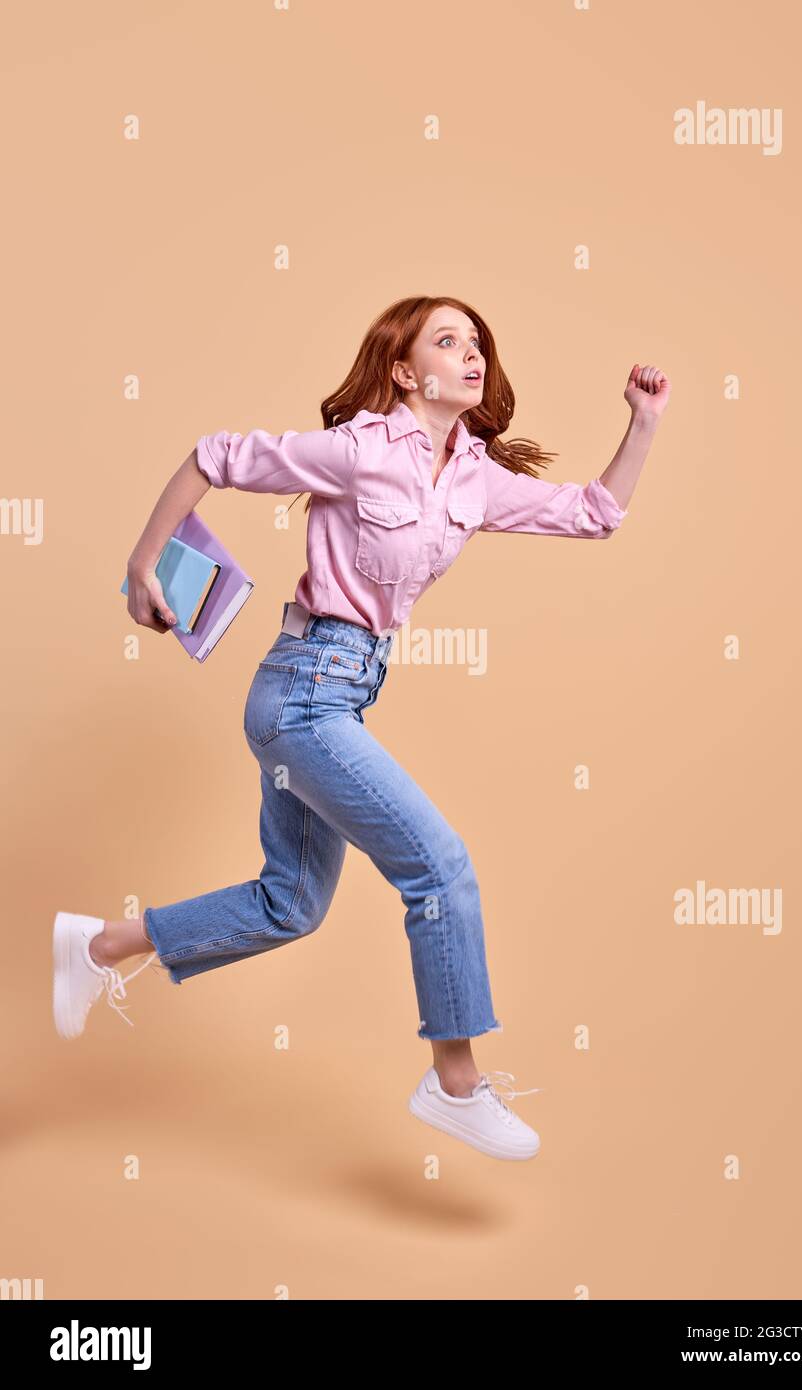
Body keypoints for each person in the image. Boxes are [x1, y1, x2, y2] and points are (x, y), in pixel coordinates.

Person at [53, 295, 669, 1161]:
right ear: (405, 370)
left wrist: (642, 424)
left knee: (290, 904)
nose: (472, 353)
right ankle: (454, 1081)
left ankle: (96, 945)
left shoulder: (472, 475)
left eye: (478, 342)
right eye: (448, 341)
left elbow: (593, 514)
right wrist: (143, 562)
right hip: (302, 694)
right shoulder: (357, 451)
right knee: (440, 864)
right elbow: (214, 457)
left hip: (339, 697)